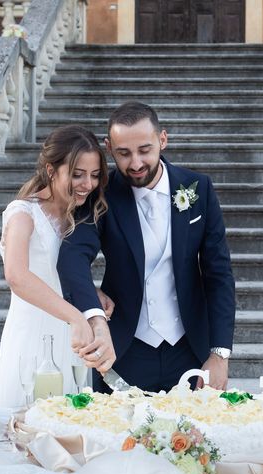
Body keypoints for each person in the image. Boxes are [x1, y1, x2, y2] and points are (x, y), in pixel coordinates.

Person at [58, 102, 236, 393]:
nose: (136, 164)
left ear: (162, 139)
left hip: (191, 350)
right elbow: (73, 258)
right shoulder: (100, 194)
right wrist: (95, 317)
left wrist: (219, 354)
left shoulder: (198, 188)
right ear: (108, 147)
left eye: (144, 150)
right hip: (123, 350)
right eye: (123, 153)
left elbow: (219, 275)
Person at [0, 125, 115, 408]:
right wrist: (75, 317)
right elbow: (17, 275)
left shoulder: (80, 214)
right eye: (77, 174)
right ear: (51, 170)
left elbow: (60, 271)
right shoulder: (23, 213)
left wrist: (91, 292)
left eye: (95, 175)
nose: (88, 184)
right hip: (33, 336)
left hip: (72, 340)